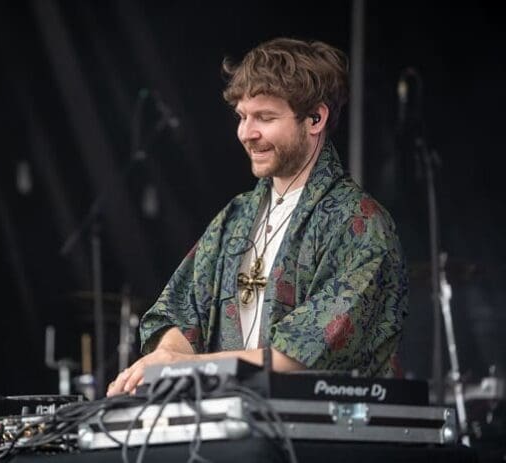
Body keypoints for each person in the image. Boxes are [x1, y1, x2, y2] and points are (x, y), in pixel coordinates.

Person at [107, 37, 408, 396]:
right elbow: (176, 313)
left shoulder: (361, 224)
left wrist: (182, 366)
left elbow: (298, 354)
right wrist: (169, 353)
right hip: (237, 425)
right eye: (242, 116)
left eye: (265, 117)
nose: (246, 133)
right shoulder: (234, 218)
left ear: (315, 118)